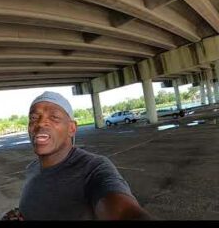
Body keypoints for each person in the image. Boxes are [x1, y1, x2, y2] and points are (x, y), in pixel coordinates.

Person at [14, 91, 153, 220]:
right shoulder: (32, 168)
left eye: (54, 117)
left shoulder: (94, 168)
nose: (40, 123)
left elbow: (123, 211)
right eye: (33, 117)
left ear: (71, 128)